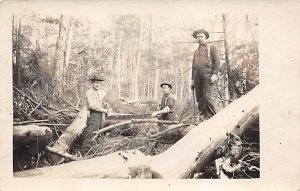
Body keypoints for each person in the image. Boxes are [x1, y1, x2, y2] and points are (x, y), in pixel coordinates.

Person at [191, 29, 220, 120]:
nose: (199, 38)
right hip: (197, 77)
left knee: (208, 98)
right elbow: (193, 66)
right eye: (198, 37)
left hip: (207, 75)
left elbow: (217, 61)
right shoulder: (196, 51)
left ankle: (213, 119)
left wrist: (214, 74)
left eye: (201, 36)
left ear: (206, 37)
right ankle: (202, 119)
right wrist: (192, 80)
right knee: (200, 98)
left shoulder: (211, 47)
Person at [81, 73, 109, 156]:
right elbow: (92, 105)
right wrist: (103, 109)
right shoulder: (89, 92)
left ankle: (94, 152)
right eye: (96, 83)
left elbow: (104, 101)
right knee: (90, 133)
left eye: (99, 83)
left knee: (99, 132)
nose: (98, 85)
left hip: (100, 115)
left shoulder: (100, 93)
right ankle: (84, 154)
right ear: (92, 83)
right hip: (93, 114)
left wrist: (107, 107)